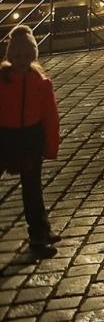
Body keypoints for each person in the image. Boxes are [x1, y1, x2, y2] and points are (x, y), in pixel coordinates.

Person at [0, 28, 61, 253]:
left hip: (30, 139)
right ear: (10, 57)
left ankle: (39, 233)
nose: (22, 61)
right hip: (4, 138)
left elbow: (50, 116)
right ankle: (40, 231)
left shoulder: (42, 83)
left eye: (26, 56)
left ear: (33, 56)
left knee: (33, 189)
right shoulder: (2, 83)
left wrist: (51, 144)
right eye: (17, 57)